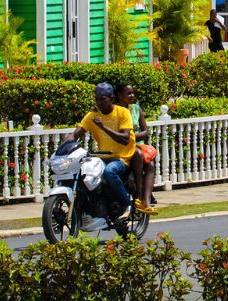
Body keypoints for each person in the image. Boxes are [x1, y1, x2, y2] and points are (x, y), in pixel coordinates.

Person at [64, 82, 135, 219]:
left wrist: (103, 127)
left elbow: (125, 138)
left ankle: (126, 204)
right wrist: (67, 141)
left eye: (102, 99)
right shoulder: (92, 115)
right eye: (96, 98)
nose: (99, 102)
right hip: (102, 157)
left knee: (110, 172)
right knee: (84, 174)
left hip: (121, 157)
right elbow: (77, 133)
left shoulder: (122, 112)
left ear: (111, 98)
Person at [116, 84, 158, 215]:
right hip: (121, 147)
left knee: (150, 164)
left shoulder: (135, 109)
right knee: (138, 155)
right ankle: (138, 194)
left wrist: (131, 137)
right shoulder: (115, 110)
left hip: (136, 144)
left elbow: (145, 132)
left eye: (132, 93)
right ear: (119, 95)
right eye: (128, 93)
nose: (131, 96)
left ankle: (146, 200)